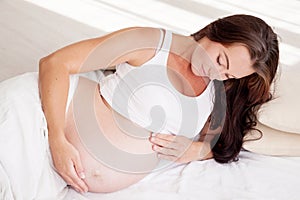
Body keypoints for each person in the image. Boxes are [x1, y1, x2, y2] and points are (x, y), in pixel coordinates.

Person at [0, 14, 279, 197]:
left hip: (67, 176)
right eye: (220, 60)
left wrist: (197, 150)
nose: (217, 74)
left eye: (230, 75)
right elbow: (55, 63)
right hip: (43, 132)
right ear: (214, 31)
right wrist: (58, 141)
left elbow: (221, 144)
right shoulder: (151, 43)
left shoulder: (219, 91)